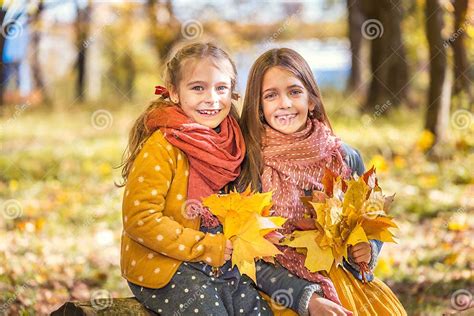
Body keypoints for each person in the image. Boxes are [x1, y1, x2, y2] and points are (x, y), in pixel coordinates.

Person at [118, 42, 351, 316]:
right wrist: (206, 246)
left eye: (221, 88)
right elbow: (140, 220)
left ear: (233, 92)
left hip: (221, 263)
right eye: (197, 88)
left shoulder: (235, 144)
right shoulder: (163, 146)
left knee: (256, 310)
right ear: (174, 92)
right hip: (165, 265)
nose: (211, 98)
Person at [237, 47, 407, 316]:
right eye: (271, 95)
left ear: (312, 100)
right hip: (279, 289)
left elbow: (370, 221)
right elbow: (245, 255)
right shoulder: (249, 165)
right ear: (258, 108)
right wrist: (308, 299)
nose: (285, 103)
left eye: (294, 91)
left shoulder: (343, 157)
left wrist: (367, 249)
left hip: (340, 279)